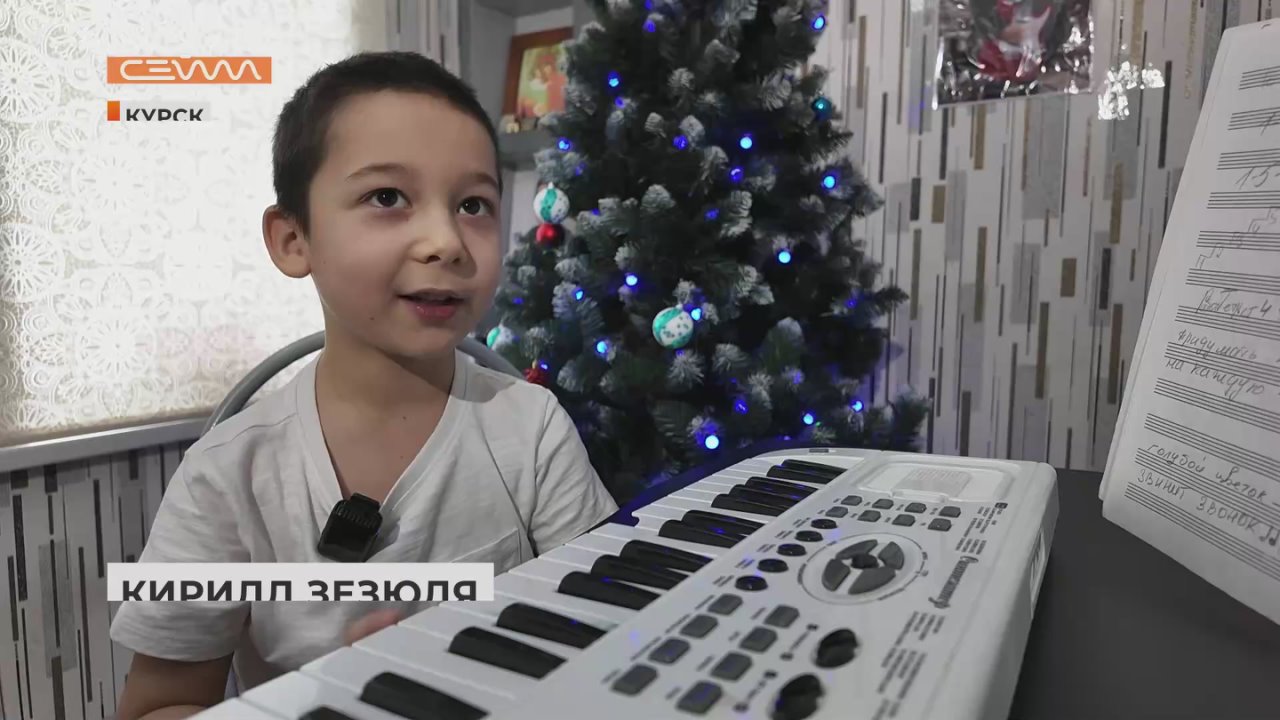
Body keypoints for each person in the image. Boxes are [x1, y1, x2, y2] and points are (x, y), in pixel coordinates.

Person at [110, 51, 618, 720]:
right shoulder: (229, 474)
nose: (445, 241)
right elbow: (160, 704)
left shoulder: (531, 426)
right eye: (387, 198)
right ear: (294, 239)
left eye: (473, 205)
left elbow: (606, 625)